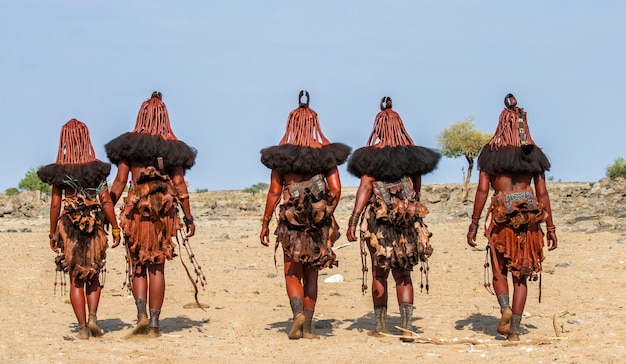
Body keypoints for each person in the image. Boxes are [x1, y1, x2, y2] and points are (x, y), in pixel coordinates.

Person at [346, 97, 440, 341]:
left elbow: (365, 187)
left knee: (379, 274)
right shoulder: (411, 157)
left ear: (378, 126)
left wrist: (353, 221)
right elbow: (416, 190)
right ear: (399, 125)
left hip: (379, 225)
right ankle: (407, 329)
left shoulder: (370, 157)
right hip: (406, 223)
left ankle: (382, 326)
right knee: (404, 273)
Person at [105, 91, 197, 337]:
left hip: (135, 214)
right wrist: (188, 218)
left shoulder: (129, 148)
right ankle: (155, 325)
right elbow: (179, 185)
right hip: (164, 216)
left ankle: (141, 315)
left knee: (137, 265)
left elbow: (119, 182)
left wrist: (107, 208)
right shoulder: (173, 150)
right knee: (157, 267)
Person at [259, 91, 351, 339]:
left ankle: (297, 314)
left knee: (292, 271)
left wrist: (265, 224)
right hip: (318, 222)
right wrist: (327, 212)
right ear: (314, 124)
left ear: (291, 124)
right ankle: (308, 328)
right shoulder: (325, 154)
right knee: (312, 272)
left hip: (290, 221)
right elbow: (336, 189)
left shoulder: (281, 157)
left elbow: (274, 192)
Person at [467, 93, 558, 341]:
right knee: (521, 274)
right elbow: (542, 193)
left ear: (500, 123)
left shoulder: (490, 153)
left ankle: (504, 309)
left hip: (501, 218)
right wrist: (550, 227)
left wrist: (474, 224)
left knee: (499, 270)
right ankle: (515, 332)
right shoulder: (534, 154)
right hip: (529, 218)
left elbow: (483, 191)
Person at [38, 119, 122, 340]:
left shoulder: (60, 172)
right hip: (94, 225)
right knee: (93, 274)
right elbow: (106, 201)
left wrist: (53, 232)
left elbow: (56, 204)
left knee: (76, 277)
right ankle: (94, 318)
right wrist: (115, 228)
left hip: (69, 227)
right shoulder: (97, 170)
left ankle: (83, 328)